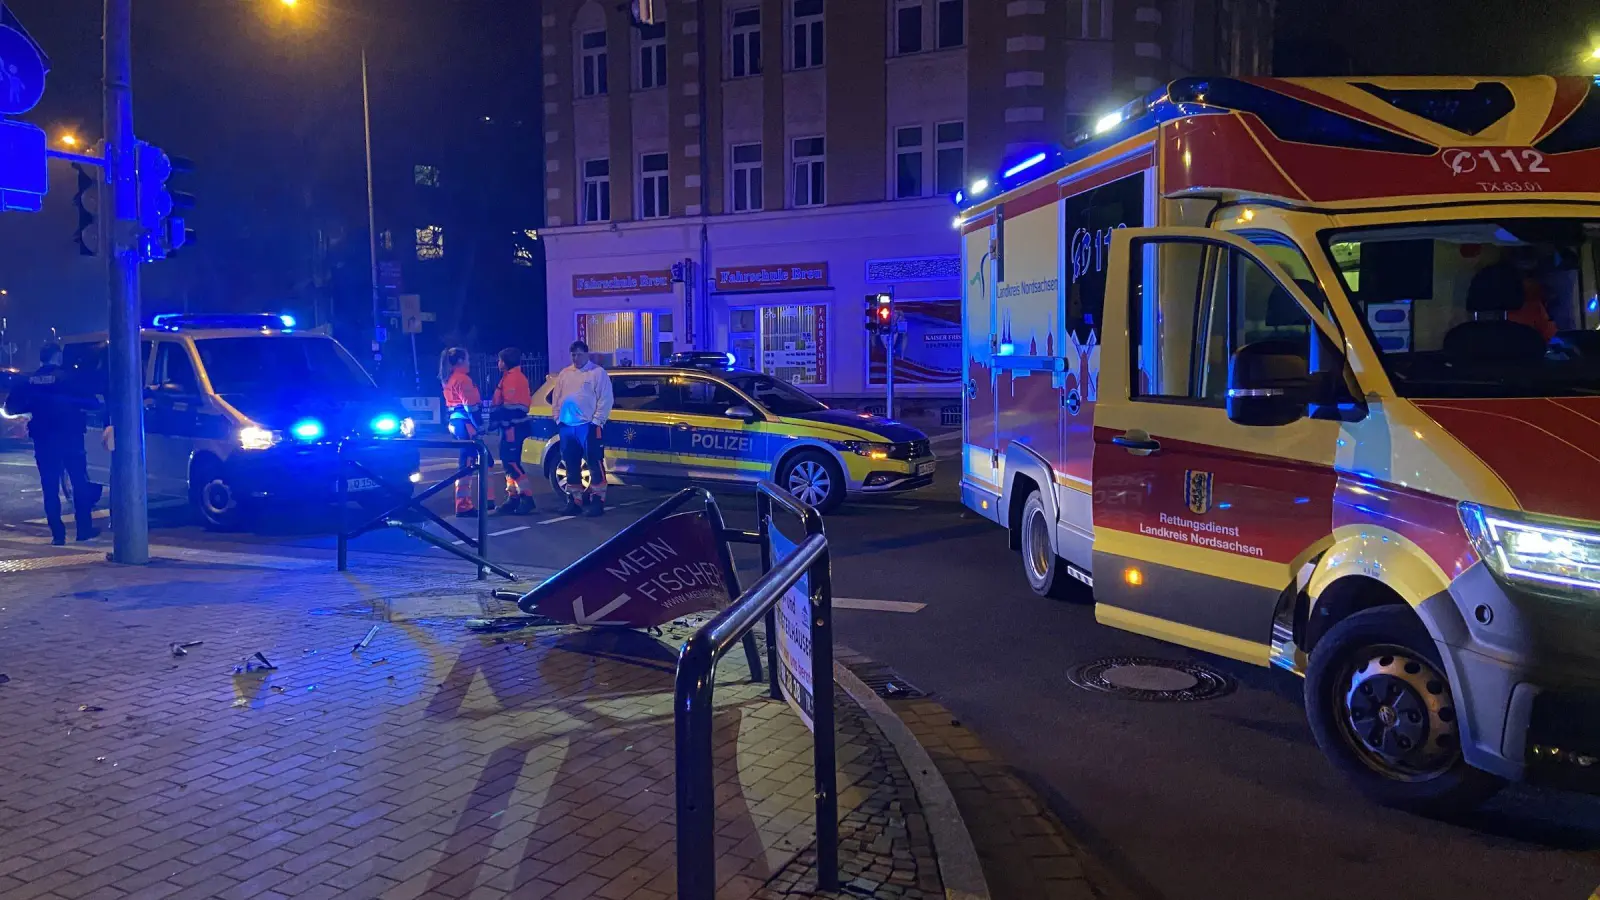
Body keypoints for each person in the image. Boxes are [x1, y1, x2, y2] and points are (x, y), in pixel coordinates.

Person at [4, 344, 100, 545]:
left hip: (44, 440)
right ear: (57, 357)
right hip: (71, 438)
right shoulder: (69, 378)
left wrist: (33, 407)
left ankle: (58, 534)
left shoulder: (28, 381)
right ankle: (83, 530)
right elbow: (92, 403)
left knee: (50, 486)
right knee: (79, 483)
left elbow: (11, 408)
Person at [549, 340, 613, 517]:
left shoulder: (597, 373)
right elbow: (557, 398)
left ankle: (597, 501)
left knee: (594, 462)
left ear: (586, 354)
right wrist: (558, 418)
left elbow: (606, 399)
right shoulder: (565, 374)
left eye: (579, 354)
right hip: (567, 426)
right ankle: (574, 500)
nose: (576, 358)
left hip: (588, 426)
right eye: (573, 355)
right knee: (571, 463)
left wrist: (596, 422)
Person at [440, 347, 494, 518]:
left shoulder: (449, 379)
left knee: (474, 462)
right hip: (466, 424)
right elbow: (471, 407)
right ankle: (465, 505)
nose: (470, 363)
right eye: (468, 359)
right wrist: (480, 426)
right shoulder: (462, 380)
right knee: (471, 463)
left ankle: (481, 501)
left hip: (457, 423)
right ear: (461, 361)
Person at [488, 347, 535, 515]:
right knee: (509, 464)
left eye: (500, 360)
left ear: (506, 362)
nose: (498, 363)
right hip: (509, 426)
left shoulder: (514, 379)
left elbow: (514, 407)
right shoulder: (509, 377)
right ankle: (513, 497)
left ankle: (526, 498)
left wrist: (498, 415)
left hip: (513, 427)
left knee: (512, 463)